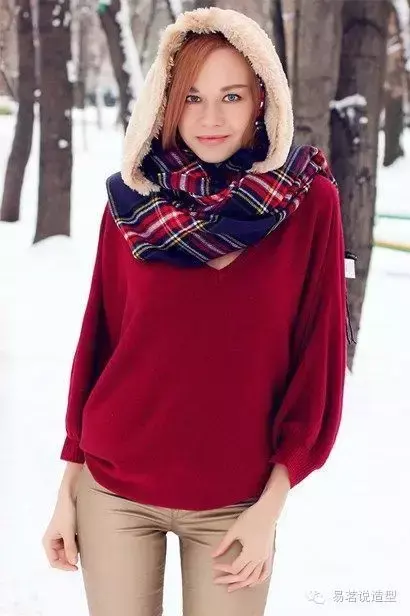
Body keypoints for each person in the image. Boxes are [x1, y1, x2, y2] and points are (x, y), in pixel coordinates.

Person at [42, 7, 347, 616]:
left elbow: (318, 359)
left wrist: (270, 507)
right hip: (114, 491)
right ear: (167, 104)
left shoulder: (308, 202)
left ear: (262, 99)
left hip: (236, 503)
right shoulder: (131, 202)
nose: (211, 118)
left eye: (232, 96)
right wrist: (68, 486)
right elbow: (100, 342)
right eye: (192, 98)